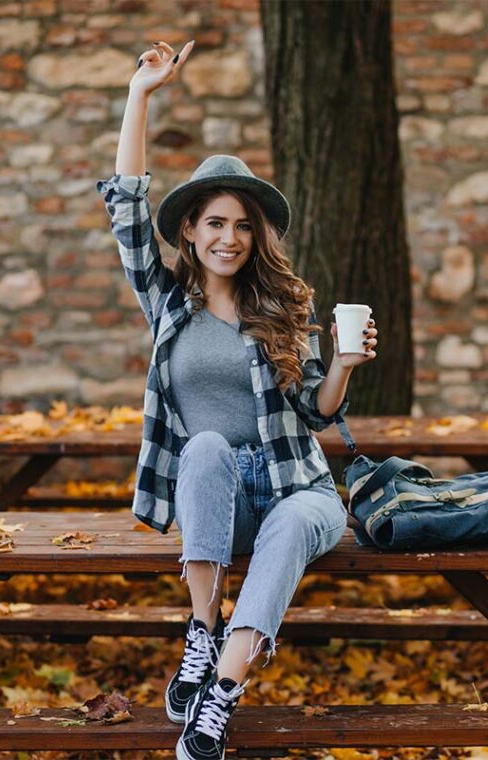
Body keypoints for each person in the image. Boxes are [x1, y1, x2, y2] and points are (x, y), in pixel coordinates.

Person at [97, 40, 378, 760]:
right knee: (208, 446)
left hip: (296, 490)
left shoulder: (283, 304)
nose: (230, 237)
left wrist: (343, 364)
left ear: (256, 237)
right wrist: (141, 93)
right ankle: (201, 628)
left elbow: (318, 411)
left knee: (295, 524)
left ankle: (219, 693)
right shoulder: (168, 306)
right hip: (218, 500)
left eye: (243, 225)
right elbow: (126, 204)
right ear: (189, 230)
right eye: (215, 223)